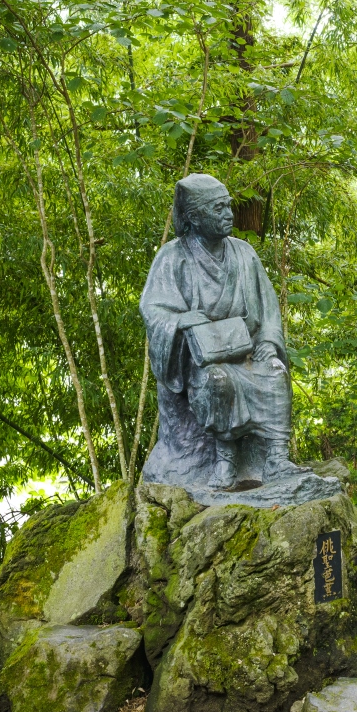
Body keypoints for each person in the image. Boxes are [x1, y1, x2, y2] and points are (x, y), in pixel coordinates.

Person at [140, 174, 304, 489]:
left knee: (274, 371)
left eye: (227, 206)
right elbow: (154, 310)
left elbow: (269, 306)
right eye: (217, 209)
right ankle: (225, 460)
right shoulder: (172, 257)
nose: (228, 215)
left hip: (246, 351)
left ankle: (277, 459)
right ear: (194, 217)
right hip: (200, 359)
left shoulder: (244, 254)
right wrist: (182, 320)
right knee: (217, 381)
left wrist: (269, 341)